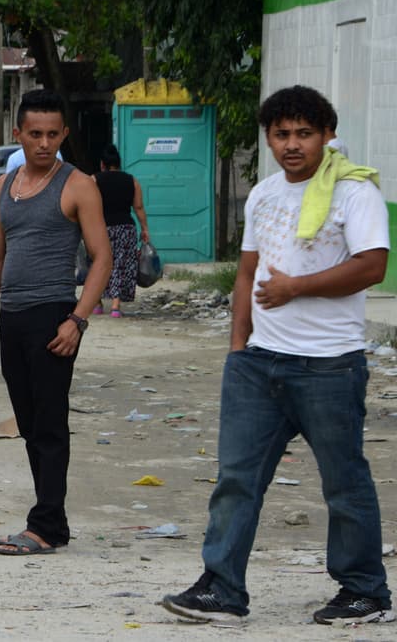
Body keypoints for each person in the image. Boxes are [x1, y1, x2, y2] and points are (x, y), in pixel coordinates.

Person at [161, 85, 391, 627]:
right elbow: (247, 274)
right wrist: (238, 349)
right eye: (282, 133)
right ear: (269, 138)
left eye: (304, 133)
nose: (293, 144)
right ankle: (222, 589)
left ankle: (365, 592)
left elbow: (372, 266)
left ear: (327, 135)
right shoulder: (264, 193)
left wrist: (297, 288)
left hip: (329, 366)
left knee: (343, 482)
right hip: (258, 365)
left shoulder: (354, 194)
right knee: (235, 480)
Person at [0, 89, 112, 556]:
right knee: (30, 423)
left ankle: (45, 525)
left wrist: (77, 320)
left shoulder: (78, 185)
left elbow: (102, 257)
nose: (44, 143)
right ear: (19, 135)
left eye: (53, 134)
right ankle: (54, 521)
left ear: (64, 135)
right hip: (13, 316)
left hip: (54, 316)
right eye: (35, 134)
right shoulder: (4, 187)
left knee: (49, 423)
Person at [92, 145, 149, 318]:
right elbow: (138, 207)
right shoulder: (132, 180)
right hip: (126, 228)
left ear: (102, 164)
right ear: (119, 163)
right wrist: (145, 229)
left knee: (98, 263)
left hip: (102, 228)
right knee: (121, 265)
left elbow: (87, 206)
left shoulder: (93, 180)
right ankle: (116, 306)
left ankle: (97, 303)